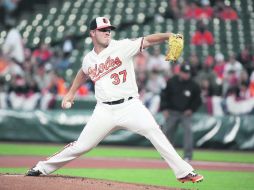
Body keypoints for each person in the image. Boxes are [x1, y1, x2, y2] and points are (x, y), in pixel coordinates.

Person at [26, 16, 203, 183]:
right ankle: (41, 168)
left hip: (130, 106)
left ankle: (184, 171)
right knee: (81, 146)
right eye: (102, 29)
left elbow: (147, 40)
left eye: (109, 29)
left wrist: (168, 36)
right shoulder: (88, 59)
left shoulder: (122, 46)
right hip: (104, 110)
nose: (107, 32)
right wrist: (71, 93)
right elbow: (82, 73)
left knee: (153, 131)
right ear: (92, 33)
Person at [160, 64, 202, 161]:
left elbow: (198, 100)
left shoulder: (193, 85)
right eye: (185, 73)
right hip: (172, 112)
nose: (186, 75)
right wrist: (164, 108)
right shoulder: (172, 81)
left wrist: (192, 109)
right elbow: (164, 95)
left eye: (188, 73)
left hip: (185, 114)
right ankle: (166, 155)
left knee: (188, 132)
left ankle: (188, 155)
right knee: (167, 133)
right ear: (180, 72)